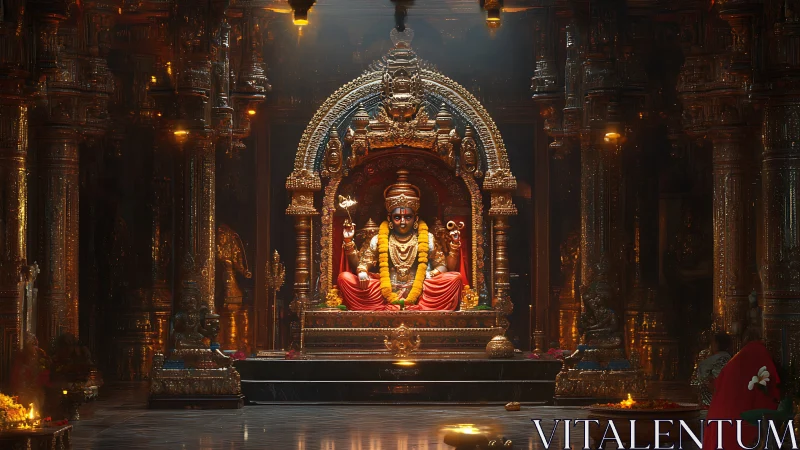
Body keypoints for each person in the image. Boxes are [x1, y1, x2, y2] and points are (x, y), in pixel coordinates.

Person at [337, 170, 463, 311]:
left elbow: (442, 266)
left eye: (408, 217)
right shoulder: (378, 239)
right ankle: (392, 304)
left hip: (421, 288)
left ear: (415, 218)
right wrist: (362, 271)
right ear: (390, 218)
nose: (403, 222)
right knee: (345, 278)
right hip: (384, 289)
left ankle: (415, 304)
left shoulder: (427, 238)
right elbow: (363, 263)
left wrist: (429, 274)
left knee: (455, 279)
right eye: (397, 217)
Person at [702, 329, 780, 450]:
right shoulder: (760, 354)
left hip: (720, 420)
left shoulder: (737, 359)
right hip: (741, 422)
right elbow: (772, 390)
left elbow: (716, 385)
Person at [692, 333, 733, 407]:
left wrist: (706, 382)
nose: (711, 345)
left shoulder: (722, 359)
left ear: (717, 344)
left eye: (713, 342)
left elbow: (718, 382)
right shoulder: (718, 358)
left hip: (712, 402)